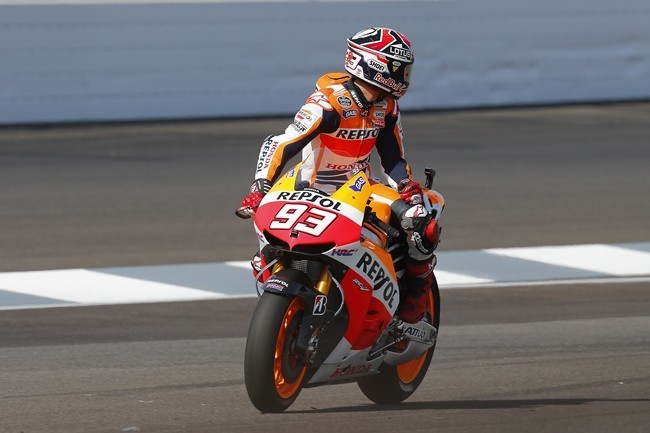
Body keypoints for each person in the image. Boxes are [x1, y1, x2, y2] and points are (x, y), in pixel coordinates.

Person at [239, 27, 441, 323]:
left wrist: (405, 186)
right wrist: (260, 186)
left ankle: (416, 296)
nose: (404, 76)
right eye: (399, 68)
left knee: (424, 221)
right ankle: (269, 264)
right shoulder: (329, 102)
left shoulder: (387, 106)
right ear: (374, 65)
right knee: (266, 233)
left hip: (360, 188)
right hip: (310, 187)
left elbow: (393, 158)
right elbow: (281, 143)